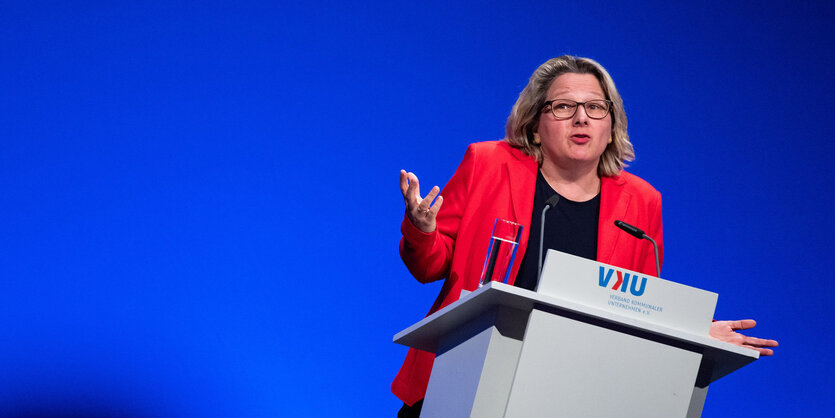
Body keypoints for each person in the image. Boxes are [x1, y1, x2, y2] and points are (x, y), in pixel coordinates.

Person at [394, 55, 777, 417]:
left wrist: (695, 334)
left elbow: (637, 306)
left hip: (568, 394)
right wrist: (423, 229)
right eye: (563, 107)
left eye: (595, 107)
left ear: (611, 127)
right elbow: (431, 266)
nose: (581, 118)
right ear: (534, 125)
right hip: (463, 380)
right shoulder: (488, 164)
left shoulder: (642, 203)